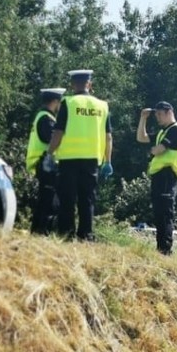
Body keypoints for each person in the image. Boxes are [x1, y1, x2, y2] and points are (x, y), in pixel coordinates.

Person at [46, 69, 113, 241]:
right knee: (87, 199)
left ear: (72, 85)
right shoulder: (102, 106)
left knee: (67, 199)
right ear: (89, 85)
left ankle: (67, 235)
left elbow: (58, 132)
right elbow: (108, 136)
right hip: (92, 160)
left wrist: (50, 153)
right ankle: (86, 235)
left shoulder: (68, 102)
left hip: (69, 158)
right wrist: (108, 161)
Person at [137, 100, 177, 255]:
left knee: (165, 212)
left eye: (159, 114)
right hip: (159, 175)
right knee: (159, 212)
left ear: (168, 112)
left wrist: (152, 151)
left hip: (167, 174)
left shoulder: (175, 130)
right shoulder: (162, 132)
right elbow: (141, 138)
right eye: (155, 114)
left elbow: (159, 150)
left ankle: (165, 249)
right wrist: (143, 118)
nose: (157, 117)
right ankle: (160, 248)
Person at [25, 87, 65, 235]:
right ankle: (41, 231)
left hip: (42, 164)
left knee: (45, 200)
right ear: (55, 101)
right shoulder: (47, 119)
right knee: (49, 202)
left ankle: (38, 231)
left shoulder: (42, 116)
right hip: (46, 164)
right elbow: (53, 140)